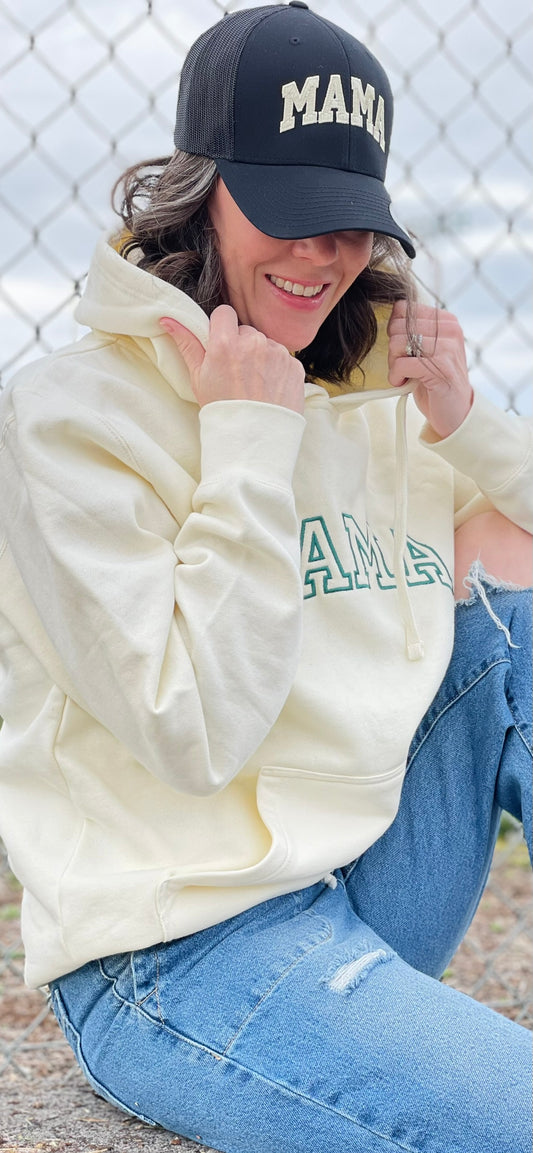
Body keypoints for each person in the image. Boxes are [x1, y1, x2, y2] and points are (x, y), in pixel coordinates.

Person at [0, 4, 531, 1151]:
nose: (319, 256)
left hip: (353, 880)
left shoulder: (367, 390)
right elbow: (193, 729)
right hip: (176, 949)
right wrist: (246, 442)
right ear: (200, 190)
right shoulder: (69, 418)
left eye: (345, 223)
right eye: (286, 213)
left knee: (514, 634)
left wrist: (466, 424)